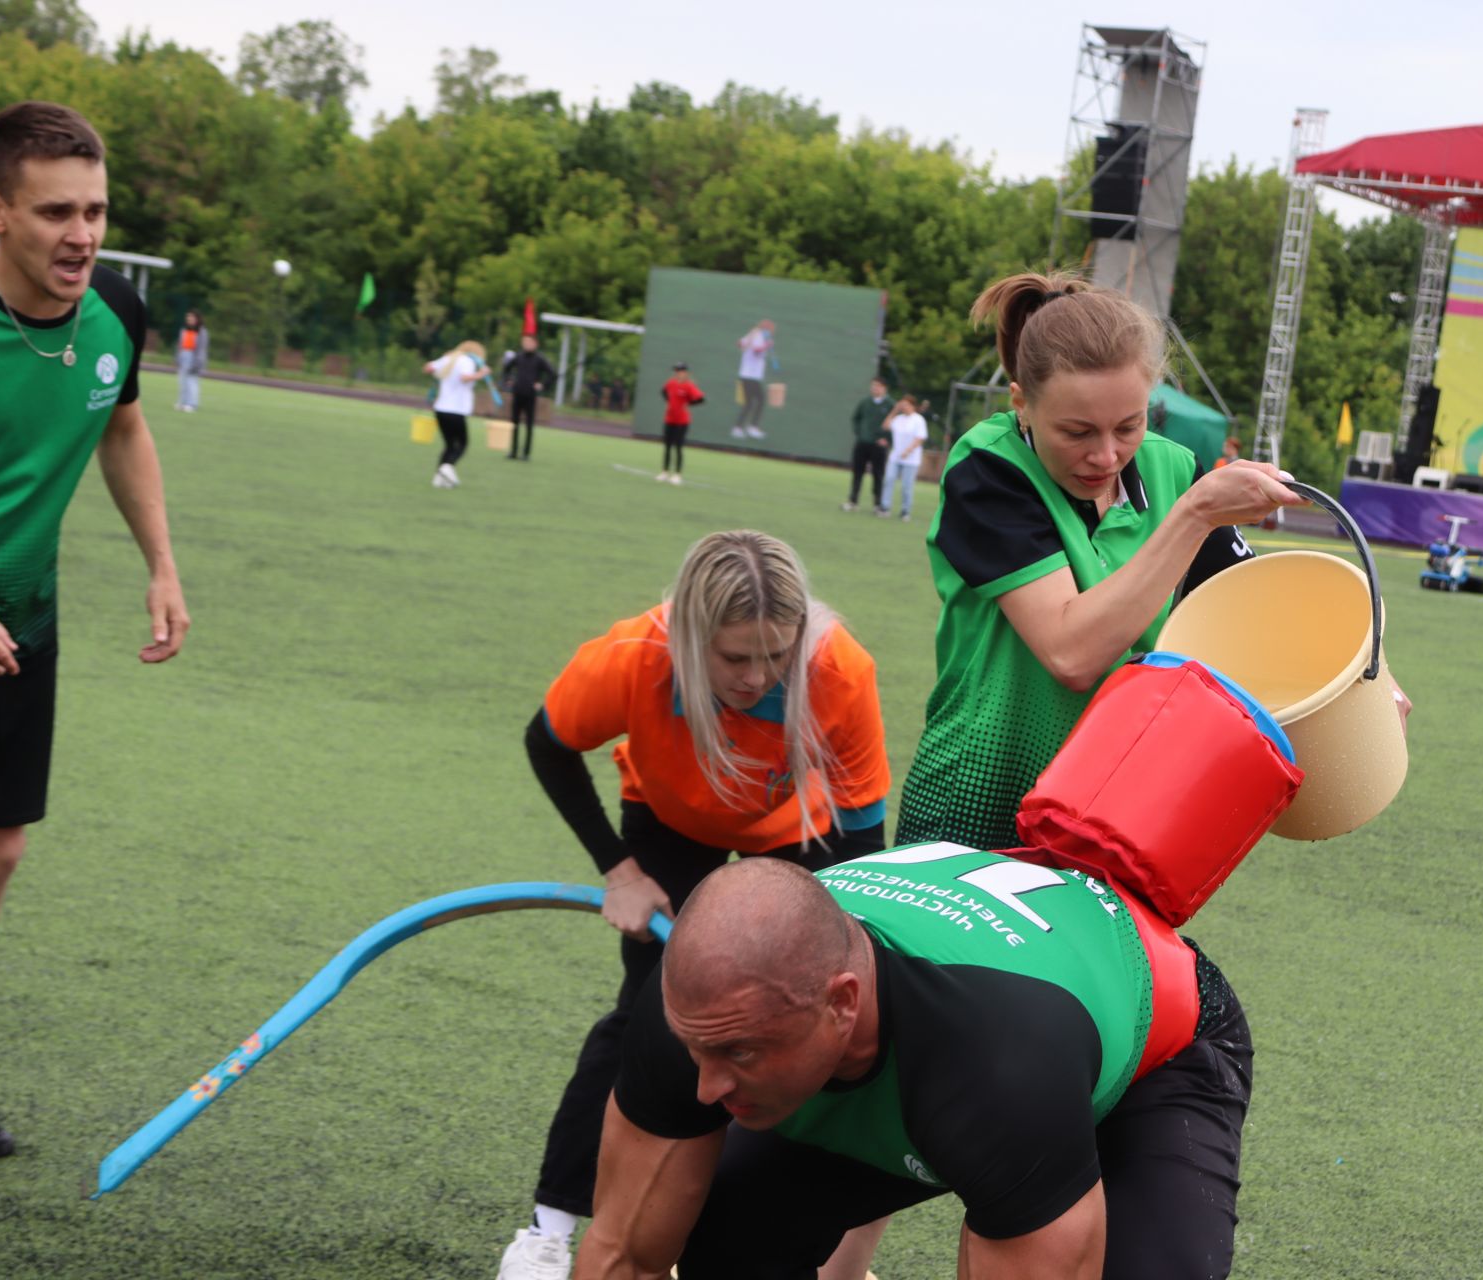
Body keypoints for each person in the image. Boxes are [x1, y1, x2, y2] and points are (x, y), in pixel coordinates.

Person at [0, 100, 190, 1213]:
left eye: (97, 210)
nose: (81, 235)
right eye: (55, 211)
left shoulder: (116, 309)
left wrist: (161, 562)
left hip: (22, 618)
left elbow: (119, 423)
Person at [496, 530, 890, 1280]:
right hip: (669, 818)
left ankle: (801, 1241)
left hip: (796, 835)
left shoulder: (838, 669)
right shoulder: (632, 658)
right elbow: (548, 744)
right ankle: (549, 1228)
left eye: (775, 655)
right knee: (648, 1018)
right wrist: (621, 869)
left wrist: (842, 942)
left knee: (805, 1030)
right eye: (734, 658)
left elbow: (861, 837)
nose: (756, 676)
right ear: (685, 636)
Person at [575, 845, 1253, 1279]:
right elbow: (623, 1259)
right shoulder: (700, 1011)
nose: (708, 1086)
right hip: (957, 1048)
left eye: (739, 1053)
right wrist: (723, 1048)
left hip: (1155, 1052)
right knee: (728, 1232)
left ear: (842, 1002)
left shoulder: (996, 1072)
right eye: (697, 1048)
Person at [894, 272, 1308, 851]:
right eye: (1077, 431)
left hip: (1116, 811)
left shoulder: (1173, 470)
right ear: (1022, 404)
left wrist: (1367, 677)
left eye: (1129, 426)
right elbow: (1072, 652)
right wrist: (1193, 518)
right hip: (977, 803)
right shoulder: (989, 470)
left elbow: (1254, 614)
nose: (1106, 454)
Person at [423, 339, 489, 489]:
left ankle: (439, 479)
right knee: (462, 444)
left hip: (440, 409)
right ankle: (447, 467)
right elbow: (464, 378)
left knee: (449, 445)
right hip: (456, 410)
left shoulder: (449, 358)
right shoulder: (467, 361)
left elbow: (428, 368)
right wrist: (481, 374)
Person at [503, 334, 556, 462]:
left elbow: (553, 373)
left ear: (535, 344)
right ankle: (513, 451)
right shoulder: (518, 356)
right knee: (514, 423)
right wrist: (509, 379)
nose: (526, 344)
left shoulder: (539, 359)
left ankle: (526, 453)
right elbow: (506, 368)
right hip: (517, 393)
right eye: (524, 342)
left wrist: (542, 385)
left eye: (529, 342)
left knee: (529, 425)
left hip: (530, 396)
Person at [843, 378, 892, 512]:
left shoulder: (890, 405)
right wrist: (860, 433)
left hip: (879, 447)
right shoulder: (865, 402)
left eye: (878, 386)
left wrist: (886, 439)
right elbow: (855, 418)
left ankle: (877, 504)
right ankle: (853, 501)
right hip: (862, 443)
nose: (875, 389)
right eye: (873, 386)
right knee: (857, 473)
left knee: (878, 474)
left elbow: (895, 424)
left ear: (884, 388)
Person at [878, 396, 928, 521]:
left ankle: (905, 511)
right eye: (902, 405)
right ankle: (885, 507)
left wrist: (908, 451)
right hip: (895, 457)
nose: (903, 407)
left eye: (906, 405)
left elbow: (920, 438)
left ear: (912, 406)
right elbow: (885, 426)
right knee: (889, 479)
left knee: (906, 485)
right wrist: (894, 411)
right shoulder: (898, 419)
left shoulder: (918, 420)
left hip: (911, 459)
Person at [657, 363, 704, 486]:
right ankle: (664, 472)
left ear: (685, 372)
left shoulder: (689, 386)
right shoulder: (671, 383)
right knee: (667, 446)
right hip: (669, 419)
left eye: (680, 371)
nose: (678, 373)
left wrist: (688, 404)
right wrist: (668, 401)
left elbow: (700, 398)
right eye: (677, 371)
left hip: (682, 421)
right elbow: (663, 391)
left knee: (678, 447)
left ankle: (677, 474)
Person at [733, 319, 775, 440]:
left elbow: (739, 343)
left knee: (752, 403)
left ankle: (743, 428)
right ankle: (746, 428)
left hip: (751, 376)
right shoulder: (758, 336)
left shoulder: (753, 335)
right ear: (767, 329)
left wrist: (745, 343)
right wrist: (767, 346)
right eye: (771, 329)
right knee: (757, 401)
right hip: (749, 376)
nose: (772, 331)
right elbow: (756, 351)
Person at [173, 309, 207, 413]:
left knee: (192, 382)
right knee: (182, 382)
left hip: (194, 357)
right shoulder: (184, 330)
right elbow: (180, 345)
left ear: (197, 319)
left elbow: (201, 349)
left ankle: (192, 404)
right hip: (184, 356)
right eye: (188, 317)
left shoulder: (202, 332)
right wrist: (177, 357)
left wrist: (197, 363)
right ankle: (182, 402)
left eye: (192, 317)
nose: (189, 319)